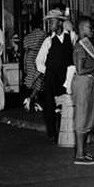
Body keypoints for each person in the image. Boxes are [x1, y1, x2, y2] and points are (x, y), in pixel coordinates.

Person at [36, 9, 74, 144]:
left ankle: (67, 131)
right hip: (52, 77)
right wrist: (49, 71)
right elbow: (38, 62)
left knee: (67, 104)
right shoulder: (48, 41)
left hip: (67, 77)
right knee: (50, 106)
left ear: (60, 22)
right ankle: (52, 133)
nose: (50, 24)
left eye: (52, 21)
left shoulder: (71, 37)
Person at [68, 17, 94, 165]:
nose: (92, 30)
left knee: (88, 117)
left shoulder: (87, 44)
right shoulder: (81, 46)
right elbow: (81, 70)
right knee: (82, 118)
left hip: (89, 82)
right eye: (89, 27)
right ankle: (79, 155)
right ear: (81, 28)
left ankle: (83, 152)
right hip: (83, 82)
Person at [22, 16, 47, 112]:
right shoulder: (43, 35)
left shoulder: (28, 36)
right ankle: (31, 98)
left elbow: (26, 52)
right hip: (39, 58)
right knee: (39, 81)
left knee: (33, 81)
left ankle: (36, 103)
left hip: (29, 58)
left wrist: (24, 64)